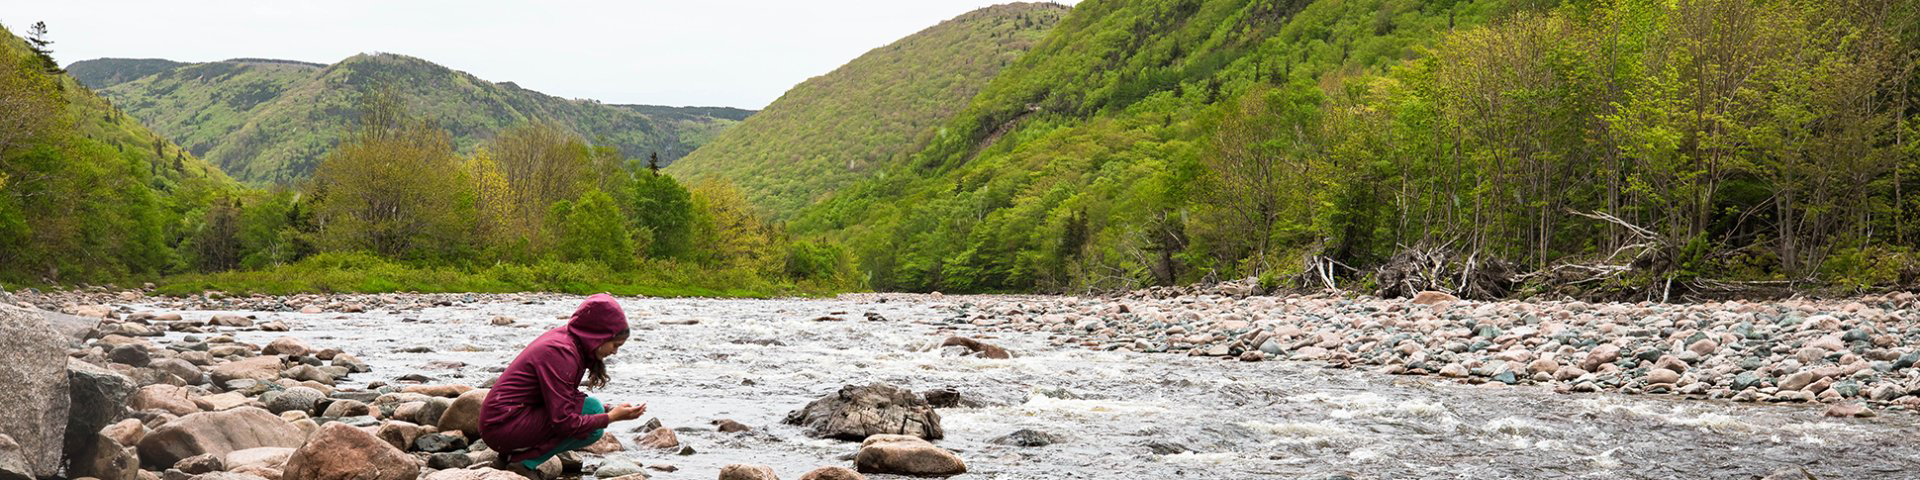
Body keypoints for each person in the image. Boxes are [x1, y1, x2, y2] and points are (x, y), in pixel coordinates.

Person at [479, 293, 647, 475]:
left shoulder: (570, 341)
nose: (615, 352)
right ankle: (524, 462)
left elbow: (559, 397)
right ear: (599, 336)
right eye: (615, 345)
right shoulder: (562, 352)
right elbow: (564, 422)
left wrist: (609, 409)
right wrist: (611, 417)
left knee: (595, 409)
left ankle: (508, 458)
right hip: (502, 427)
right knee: (593, 418)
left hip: (505, 422)